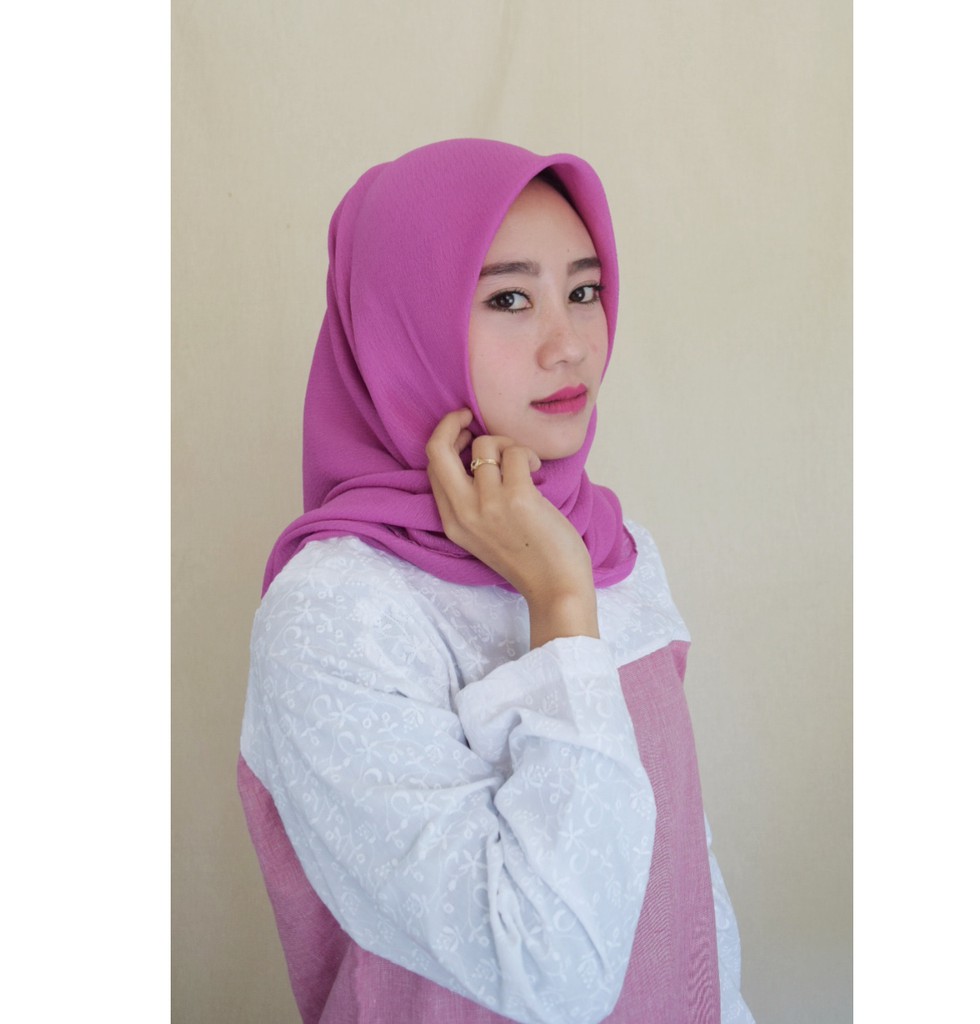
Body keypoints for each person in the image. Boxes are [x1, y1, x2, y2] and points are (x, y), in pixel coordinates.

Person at [239, 139, 754, 1024]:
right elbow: (550, 970)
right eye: (510, 299)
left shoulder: (612, 549)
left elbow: (681, 886)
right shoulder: (338, 610)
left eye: (584, 292)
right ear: (402, 327)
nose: (570, 345)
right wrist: (558, 607)